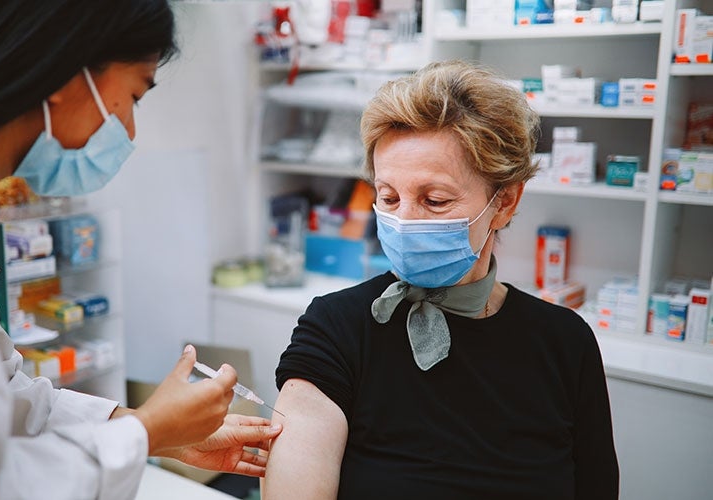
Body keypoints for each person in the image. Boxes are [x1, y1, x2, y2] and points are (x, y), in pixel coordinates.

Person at [0, 1, 280, 499]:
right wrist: (147, 432)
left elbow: (0, 397)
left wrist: (149, 429)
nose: (130, 132)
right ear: (66, 72)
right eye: (135, 95)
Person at [262, 60, 619, 499]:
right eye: (388, 197)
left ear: (504, 201)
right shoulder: (337, 329)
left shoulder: (565, 343)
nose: (403, 221)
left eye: (434, 200)